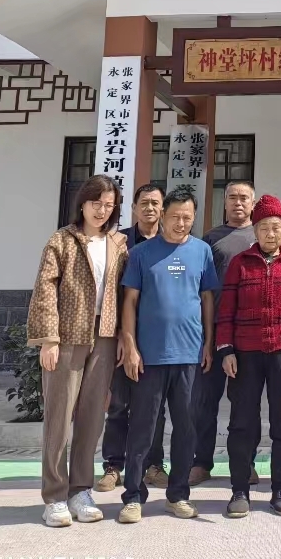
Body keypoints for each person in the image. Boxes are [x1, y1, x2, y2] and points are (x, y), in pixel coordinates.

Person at [27, 174, 127, 527]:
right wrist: (49, 339)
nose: (102, 210)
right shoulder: (62, 240)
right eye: (96, 203)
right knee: (59, 417)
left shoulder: (118, 244)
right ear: (82, 203)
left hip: (105, 335)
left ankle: (80, 491)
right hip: (67, 335)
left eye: (109, 205)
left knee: (92, 417)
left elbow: (124, 293)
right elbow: (45, 288)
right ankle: (54, 496)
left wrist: (123, 337)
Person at [117, 189, 218, 523]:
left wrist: (209, 343)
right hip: (150, 356)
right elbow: (130, 301)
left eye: (188, 217)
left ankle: (178, 495)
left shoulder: (202, 251)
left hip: (189, 355)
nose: (181, 223)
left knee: (186, 428)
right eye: (175, 216)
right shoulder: (141, 253)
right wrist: (130, 346)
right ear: (162, 216)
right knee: (142, 428)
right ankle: (133, 496)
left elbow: (206, 299)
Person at [216, 194, 281, 518]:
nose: (271, 233)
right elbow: (226, 310)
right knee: (242, 423)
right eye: (264, 228)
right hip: (245, 355)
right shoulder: (240, 264)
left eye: (276, 227)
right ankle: (239, 490)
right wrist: (226, 349)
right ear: (255, 230)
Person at [97, 182, 168, 493]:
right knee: (119, 403)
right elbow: (111, 291)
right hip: (122, 336)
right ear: (134, 208)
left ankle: (154, 465)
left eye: (155, 203)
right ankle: (114, 465)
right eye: (144, 203)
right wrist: (120, 336)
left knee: (155, 406)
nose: (150, 208)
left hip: (158, 339)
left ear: (162, 209)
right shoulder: (118, 243)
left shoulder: (171, 242)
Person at [189, 181, 259, 486]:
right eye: (232, 197)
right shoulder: (209, 240)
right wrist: (205, 336)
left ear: (253, 203)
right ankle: (201, 461)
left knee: (246, 403)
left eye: (244, 198)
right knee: (204, 401)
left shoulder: (261, 236)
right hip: (216, 329)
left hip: (250, 332)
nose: (238, 203)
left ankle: (245, 462)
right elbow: (202, 290)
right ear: (225, 202)